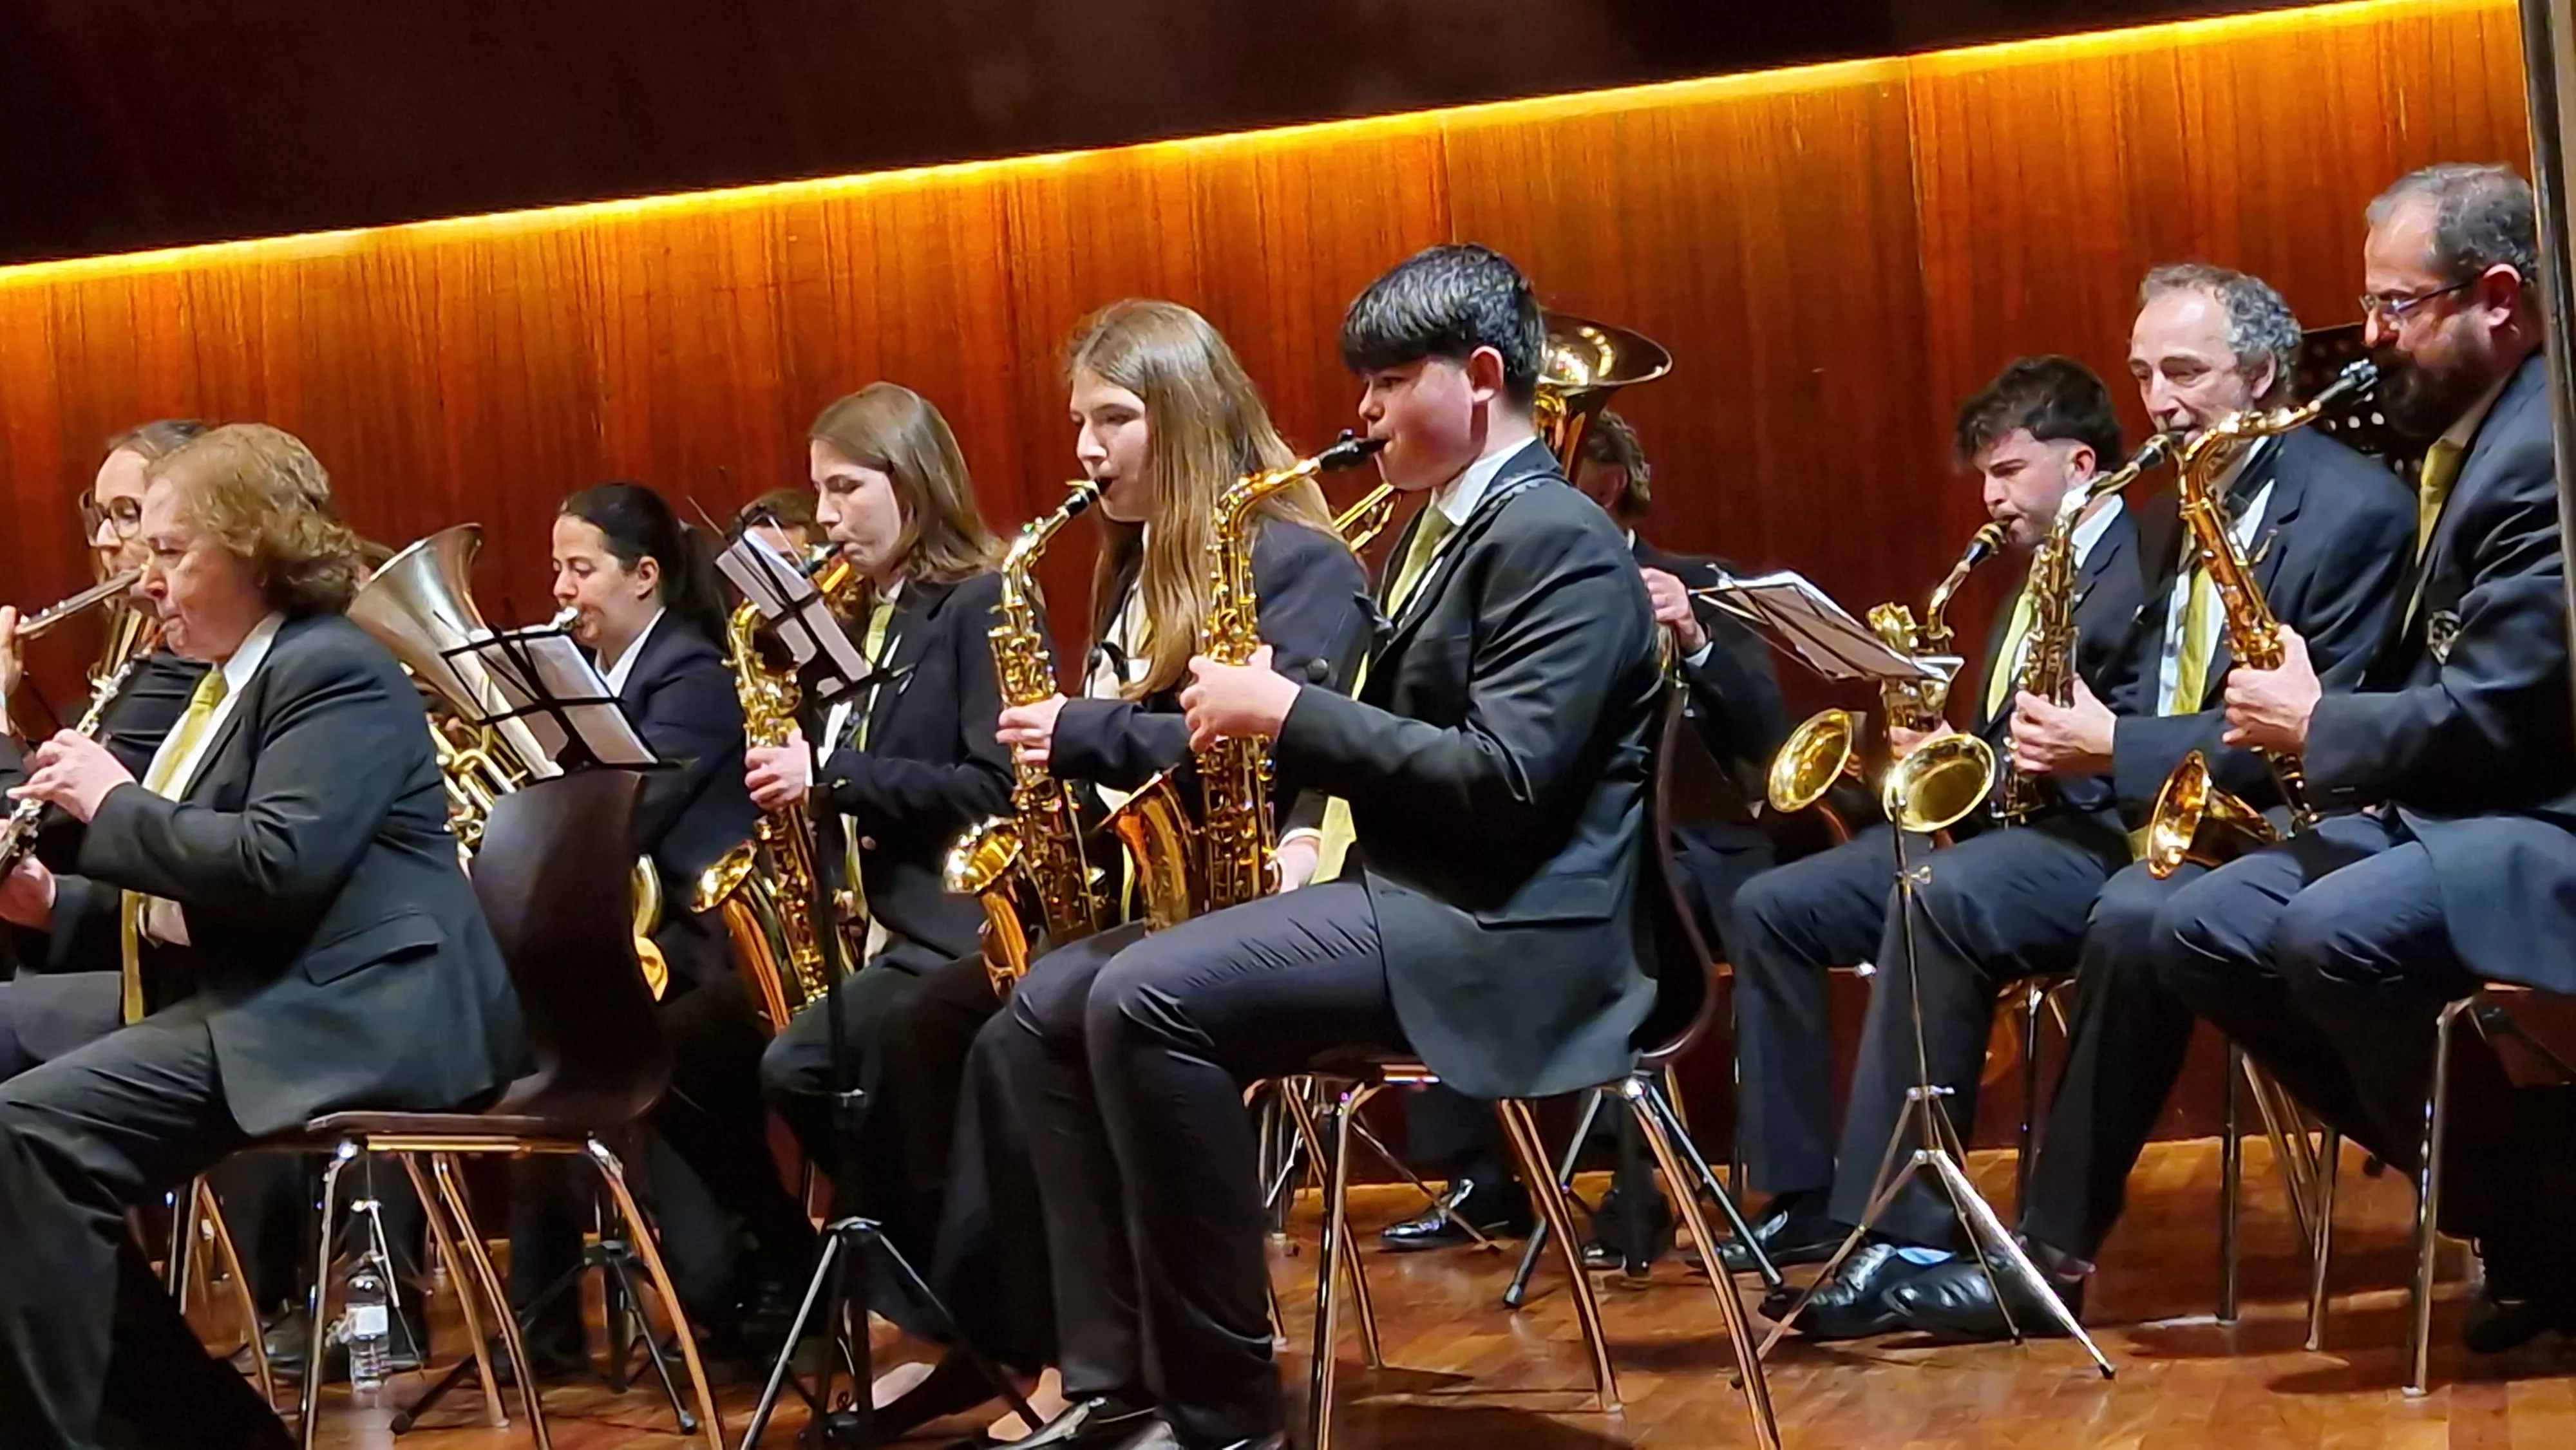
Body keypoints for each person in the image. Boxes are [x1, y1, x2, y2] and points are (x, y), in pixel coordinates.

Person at [989, 244, 1663, 1450]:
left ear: (1482, 377)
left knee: (1148, 996)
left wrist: (1287, 712)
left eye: (1391, 379)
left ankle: (1224, 1415)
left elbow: (1505, 783)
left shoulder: (1554, 535)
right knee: (1051, 998)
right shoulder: (1444, 527)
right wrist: (1300, 811)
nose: (1362, 411)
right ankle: (1117, 1376)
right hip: (1419, 894)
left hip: (1507, 927)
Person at [831, 299, 1368, 1440]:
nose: (1086, 450)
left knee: (1047, 1015)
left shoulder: (1298, 558)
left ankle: (1140, 1371)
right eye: (1081, 420)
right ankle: (1054, 1355)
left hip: (1257, 904)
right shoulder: (1130, 564)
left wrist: (1083, 733)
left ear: (1183, 415)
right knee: (969, 1022)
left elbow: (1279, 745)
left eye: (1114, 419)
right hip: (1152, 899)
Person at [1888, 266, 2414, 1337]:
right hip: (2151, 822)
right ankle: (1892, 1227)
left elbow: (2318, 727)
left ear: (2262, 374)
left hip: (2301, 821)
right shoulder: (2172, 509)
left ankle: (2051, 1256)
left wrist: (2111, 743)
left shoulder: (2354, 509)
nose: (2159, 402)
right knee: (1939, 890)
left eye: (2184, 372)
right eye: (2143, 376)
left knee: (2137, 915)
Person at [0, 422, 520, 1450]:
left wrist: (113, 806)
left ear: (253, 547)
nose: (145, 581)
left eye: (169, 551)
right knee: (22, 1149)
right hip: (286, 991)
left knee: (24, 1135)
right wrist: (53, 903)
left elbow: (280, 867)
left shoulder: (334, 667)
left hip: (365, 1009)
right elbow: (216, 883)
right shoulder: (236, 676)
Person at [2147, 164, 2576, 1351]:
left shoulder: (2547, 446)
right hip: (2469, 802)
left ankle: (2538, 1219)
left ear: (2498, 298)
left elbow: (2503, 713)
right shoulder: (2470, 433)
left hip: (2544, 813)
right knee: (2196, 923)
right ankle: (2531, 1204)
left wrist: (2316, 725)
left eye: (2397, 306)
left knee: (2337, 931)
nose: (2373, 337)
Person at [1725, 357, 2150, 1339]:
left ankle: (1908, 1229)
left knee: (1931, 889)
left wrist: (1991, 769)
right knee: (1771, 908)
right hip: (1999, 822)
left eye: (2007, 473)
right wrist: (1943, 749)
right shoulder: (2031, 573)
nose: (1990, 499)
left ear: (2080, 462)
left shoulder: (2138, 564)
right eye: (1986, 480)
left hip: (2086, 834)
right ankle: (1800, 1199)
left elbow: (2105, 747)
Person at [1379, 408, 1788, 1273]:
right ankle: (1482, 1176)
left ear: (1611, 485)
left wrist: (1697, 636)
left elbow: (1764, 734)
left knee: (1607, 896)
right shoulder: (1506, 590)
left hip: (1691, 849)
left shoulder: (1699, 582)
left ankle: (1635, 1192)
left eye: (1577, 475)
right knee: (1442, 890)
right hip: (1564, 836)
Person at [511, 480, 779, 1365]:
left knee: (569, 1038)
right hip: (634, 955)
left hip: (700, 956)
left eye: (580, 568)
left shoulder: (693, 678)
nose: (562, 589)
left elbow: (631, 825)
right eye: (558, 569)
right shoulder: (601, 684)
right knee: (529, 1036)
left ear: (645, 576)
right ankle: (544, 1328)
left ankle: (747, 1283)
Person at [0, 420, 213, 1076]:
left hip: (165, 977)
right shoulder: (149, 663)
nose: (103, 540)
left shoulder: (189, 669)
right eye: (101, 514)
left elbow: (54, 832)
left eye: (129, 515)